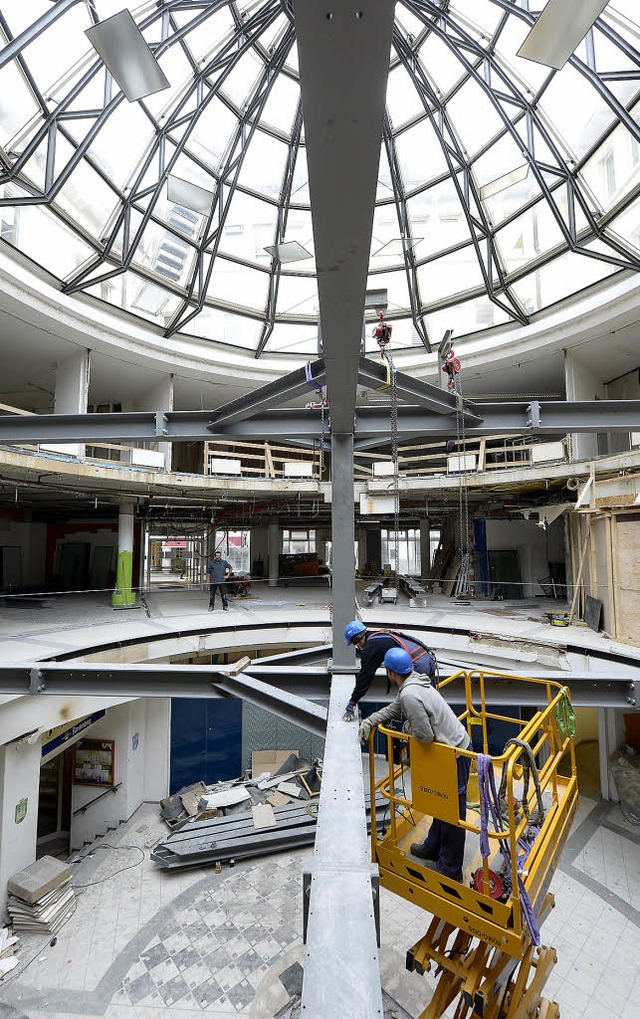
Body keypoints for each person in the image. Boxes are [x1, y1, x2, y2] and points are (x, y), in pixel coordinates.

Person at [357, 647, 472, 883]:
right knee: (441, 803)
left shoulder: (410, 694)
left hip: (455, 754)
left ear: (390, 672)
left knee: (451, 813)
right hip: (450, 750)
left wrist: (406, 730)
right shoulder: (415, 683)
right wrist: (371, 720)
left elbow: (424, 735)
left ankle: (450, 869)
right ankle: (432, 846)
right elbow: (395, 708)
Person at [342, 619, 436, 721]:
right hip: (427, 660)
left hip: (418, 666)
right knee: (431, 702)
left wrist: (352, 702)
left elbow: (365, 677)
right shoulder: (379, 635)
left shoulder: (371, 647)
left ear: (358, 639)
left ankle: (422, 730)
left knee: (414, 704)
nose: (357, 647)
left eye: (355, 644)